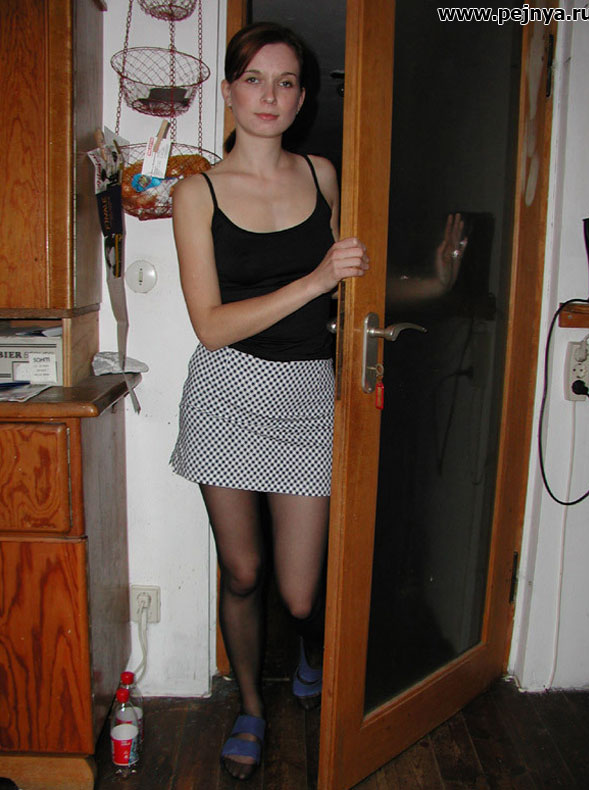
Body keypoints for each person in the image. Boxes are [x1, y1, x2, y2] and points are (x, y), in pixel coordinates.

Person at [169, 21, 369, 781]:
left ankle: (313, 651)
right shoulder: (196, 192)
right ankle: (251, 706)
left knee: (301, 592)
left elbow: (351, 283)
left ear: (302, 98)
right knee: (244, 572)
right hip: (228, 391)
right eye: (254, 79)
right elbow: (211, 326)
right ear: (228, 91)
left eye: (286, 82)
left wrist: (433, 281)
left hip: (308, 394)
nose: (270, 95)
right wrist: (313, 282)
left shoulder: (322, 175)